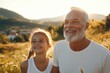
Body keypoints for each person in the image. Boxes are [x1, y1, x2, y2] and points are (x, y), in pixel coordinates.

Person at [51, 7, 110, 73]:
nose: (69, 26)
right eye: (66, 22)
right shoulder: (59, 47)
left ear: (86, 26)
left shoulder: (105, 55)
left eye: (75, 22)